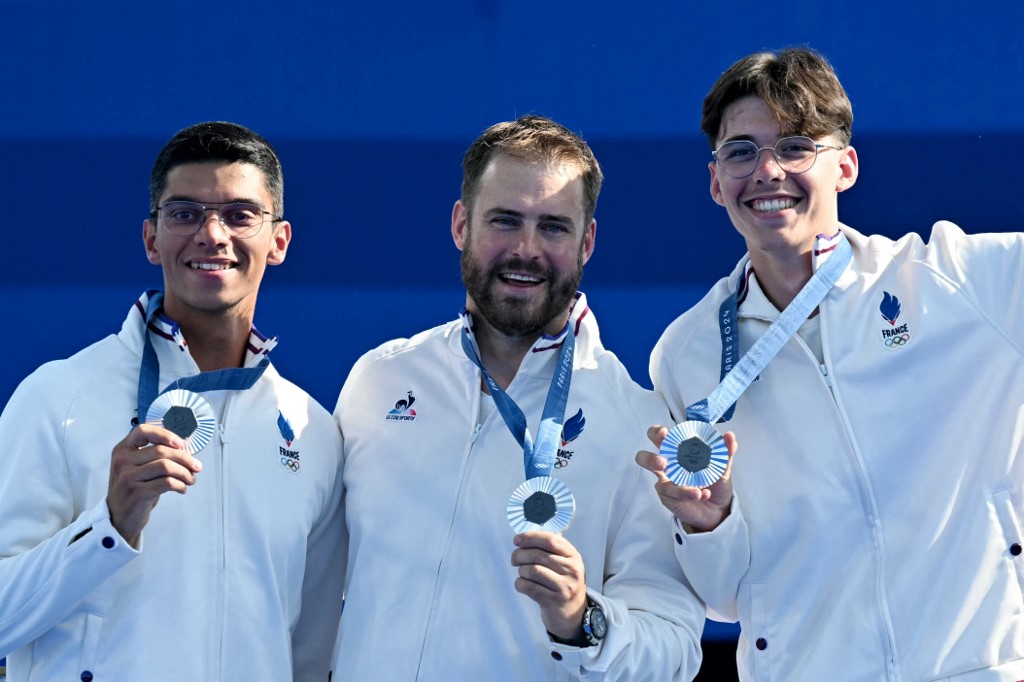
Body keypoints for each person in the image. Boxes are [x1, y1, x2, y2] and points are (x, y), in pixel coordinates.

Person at [636, 47, 1024, 680]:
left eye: (794, 147)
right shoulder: (689, 353)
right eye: (740, 151)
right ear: (714, 182)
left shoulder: (959, 283)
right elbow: (725, 597)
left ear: (845, 166)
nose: (766, 171)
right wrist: (708, 525)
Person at [331, 115, 705, 680]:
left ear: (588, 241)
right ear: (461, 225)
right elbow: (312, 587)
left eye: (553, 227)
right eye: (504, 221)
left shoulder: (638, 425)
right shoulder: (379, 380)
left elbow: (676, 649)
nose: (526, 250)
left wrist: (585, 620)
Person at [0, 122, 345, 681]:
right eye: (184, 213)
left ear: (278, 241)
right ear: (151, 237)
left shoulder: (313, 432)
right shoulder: (56, 397)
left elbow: (310, 653)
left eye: (239, 214)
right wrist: (109, 525)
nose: (212, 234)